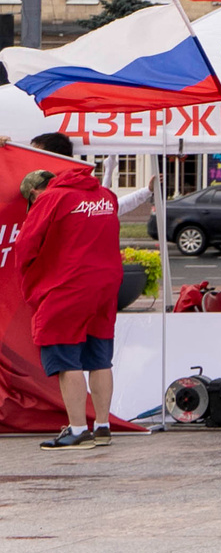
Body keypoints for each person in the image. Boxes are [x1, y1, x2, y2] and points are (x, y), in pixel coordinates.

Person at [20, 159, 155, 451]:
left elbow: (27, 245)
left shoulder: (53, 199)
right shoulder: (103, 196)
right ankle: (103, 426)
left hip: (67, 284)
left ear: (36, 191)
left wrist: (30, 275)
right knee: (99, 357)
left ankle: (78, 430)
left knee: (66, 357)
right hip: (105, 284)